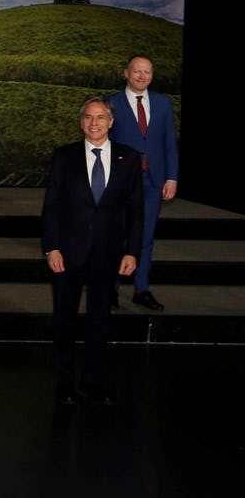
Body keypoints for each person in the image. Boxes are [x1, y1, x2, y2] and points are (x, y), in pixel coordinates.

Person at [42, 96, 143, 406]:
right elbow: (52, 207)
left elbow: (136, 210)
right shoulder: (64, 156)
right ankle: (64, 382)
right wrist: (51, 247)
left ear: (111, 122)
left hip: (108, 252)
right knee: (64, 317)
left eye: (100, 117)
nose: (94, 123)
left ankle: (93, 381)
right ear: (81, 121)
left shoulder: (130, 158)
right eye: (88, 117)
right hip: (68, 252)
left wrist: (132, 252)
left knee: (100, 318)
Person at [105, 55, 178, 311]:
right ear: (126, 73)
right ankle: (110, 290)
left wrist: (172, 177)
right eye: (137, 71)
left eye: (147, 72)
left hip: (154, 182)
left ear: (152, 75)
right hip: (121, 182)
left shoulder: (163, 104)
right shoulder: (111, 103)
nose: (142, 76)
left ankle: (141, 289)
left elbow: (169, 142)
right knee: (116, 236)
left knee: (146, 238)